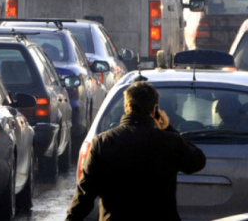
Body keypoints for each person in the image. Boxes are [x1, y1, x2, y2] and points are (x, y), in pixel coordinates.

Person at [66, 81, 206, 221]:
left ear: (126, 107)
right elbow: (198, 162)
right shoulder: (170, 142)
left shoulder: (103, 143)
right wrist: (168, 128)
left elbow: (84, 196)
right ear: (154, 110)